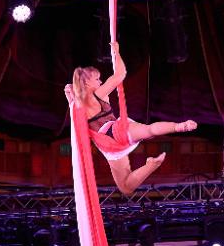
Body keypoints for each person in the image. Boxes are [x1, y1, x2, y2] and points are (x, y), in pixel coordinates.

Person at [66, 42, 198, 194]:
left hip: (109, 146)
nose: (100, 82)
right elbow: (120, 75)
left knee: (126, 188)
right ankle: (180, 127)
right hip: (117, 131)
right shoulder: (97, 95)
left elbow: (76, 119)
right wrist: (116, 52)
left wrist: (69, 96)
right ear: (87, 83)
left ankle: (151, 165)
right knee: (149, 130)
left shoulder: (78, 105)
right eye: (97, 79)